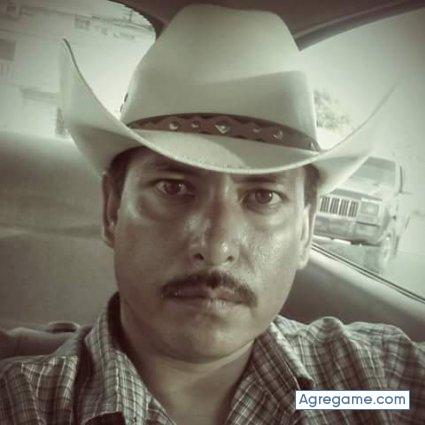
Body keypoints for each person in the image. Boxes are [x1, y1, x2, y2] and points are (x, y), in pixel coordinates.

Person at [0, 4, 423, 424]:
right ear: (112, 210)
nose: (217, 248)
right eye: (174, 188)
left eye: (263, 196)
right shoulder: (25, 405)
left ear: (305, 231)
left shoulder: (366, 389)